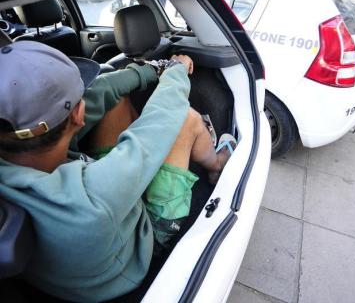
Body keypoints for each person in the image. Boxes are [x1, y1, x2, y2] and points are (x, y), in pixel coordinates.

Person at [0, 41, 235, 302]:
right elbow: (162, 120)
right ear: (79, 114)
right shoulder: (93, 197)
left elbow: (102, 91)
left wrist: (150, 71)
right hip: (129, 258)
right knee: (186, 119)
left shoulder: (12, 150)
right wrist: (175, 71)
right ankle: (217, 165)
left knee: (115, 101)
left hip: (80, 256)